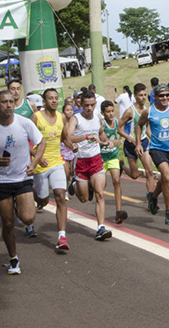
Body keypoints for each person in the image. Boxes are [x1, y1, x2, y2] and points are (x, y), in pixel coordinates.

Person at [0, 90, 46, 275]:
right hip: (1, 180)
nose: (8, 105)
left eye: (11, 102)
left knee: (28, 218)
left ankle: (22, 204)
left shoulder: (24, 123)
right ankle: (13, 258)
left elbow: (41, 142)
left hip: (22, 178)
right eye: (4, 102)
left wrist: (35, 162)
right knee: (7, 224)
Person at [66, 91, 113, 240]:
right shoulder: (76, 119)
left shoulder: (98, 118)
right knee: (84, 199)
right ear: (81, 104)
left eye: (92, 105)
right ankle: (74, 185)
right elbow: (69, 136)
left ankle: (100, 228)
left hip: (95, 160)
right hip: (81, 162)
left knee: (100, 193)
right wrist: (85, 137)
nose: (90, 108)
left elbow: (101, 133)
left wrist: (106, 141)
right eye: (86, 105)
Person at [136, 84, 169, 225]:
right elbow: (139, 126)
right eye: (161, 96)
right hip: (157, 149)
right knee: (168, 177)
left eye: (167, 95)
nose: (164, 98)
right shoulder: (149, 112)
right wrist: (138, 143)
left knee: (164, 179)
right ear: (154, 97)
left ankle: (153, 196)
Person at [31, 88, 72, 249]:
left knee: (60, 195)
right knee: (43, 200)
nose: (54, 101)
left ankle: (62, 237)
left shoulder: (62, 117)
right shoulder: (36, 117)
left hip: (56, 162)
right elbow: (25, 140)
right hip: (40, 165)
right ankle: (33, 193)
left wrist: (72, 145)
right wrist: (37, 156)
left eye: (56, 98)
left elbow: (64, 138)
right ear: (44, 101)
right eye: (50, 98)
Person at [117, 83, 156, 200]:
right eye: (140, 95)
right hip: (130, 145)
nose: (143, 98)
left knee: (149, 171)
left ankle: (151, 200)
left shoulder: (147, 111)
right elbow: (118, 128)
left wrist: (153, 139)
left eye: (145, 95)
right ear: (135, 96)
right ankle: (122, 166)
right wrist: (130, 139)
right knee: (135, 175)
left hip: (143, 142)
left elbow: (147, 128)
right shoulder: (130, 111)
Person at [100, 100, 128, 224]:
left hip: (113, 156)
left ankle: (118, 211)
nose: (111, 114)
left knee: (116, 180)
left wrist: (122, 140)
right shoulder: (100, 125)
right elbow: (98, 139)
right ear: (102, 113)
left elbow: (119, 134)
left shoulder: (116, 122)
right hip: (101, 158)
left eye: (112, 111)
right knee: (101, 186)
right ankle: (100, 210)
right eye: (108, 112)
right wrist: (107, 142)